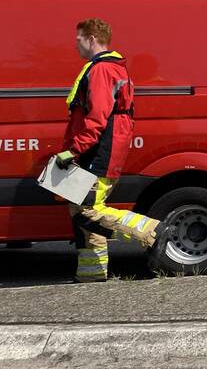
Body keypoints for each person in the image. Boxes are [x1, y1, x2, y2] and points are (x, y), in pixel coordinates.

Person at [58, 18, 168, 282]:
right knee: (79, 210)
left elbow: (96, 118)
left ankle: (152, 231)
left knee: (88, 211)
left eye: (78, 39)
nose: (75, 44)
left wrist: (73, 151)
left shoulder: (100, 70)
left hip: (97, 151)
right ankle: (92, 273)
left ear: (92, 39)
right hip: (101, 149)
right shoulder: (111, 68)